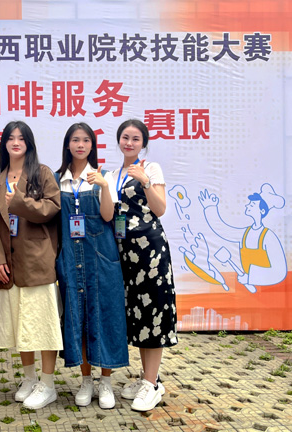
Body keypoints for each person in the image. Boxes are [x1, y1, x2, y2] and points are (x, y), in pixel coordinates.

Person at [0, 120, 63, 410]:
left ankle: (48, 384)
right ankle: (30, 379)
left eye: (21, 138)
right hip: (10, 262)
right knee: (22, 324)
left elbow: (51, 209)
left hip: (37, 260)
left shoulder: (42, 173)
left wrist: (19, 201)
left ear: (29, 143)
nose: (16, 142)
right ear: (4, 143)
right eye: (11, 138)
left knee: (42, 324)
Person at [54, 122, 128, 410]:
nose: (81, 145)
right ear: (67, 144)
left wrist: (105, 187)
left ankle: (106, 381)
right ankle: (86, 380)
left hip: (101, 258)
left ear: (92, 146)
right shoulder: (58, 179)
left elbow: (109, 216)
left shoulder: (103, 177)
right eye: (75, 140)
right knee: (78, 317)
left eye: (86, 140)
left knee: (105, 316)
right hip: (71, 259)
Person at [113, 119, 178, 411]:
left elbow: (160, 208)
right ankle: (148, 378)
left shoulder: (151, 168)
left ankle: (151, 385)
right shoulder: (113, 174)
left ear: (143, 143)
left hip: (151, 252)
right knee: (139, 315)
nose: (129, 143)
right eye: (125, 137)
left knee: (153, 314)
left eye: (135, 138)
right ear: (119, 140)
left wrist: (145, 181)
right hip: (126, 254)